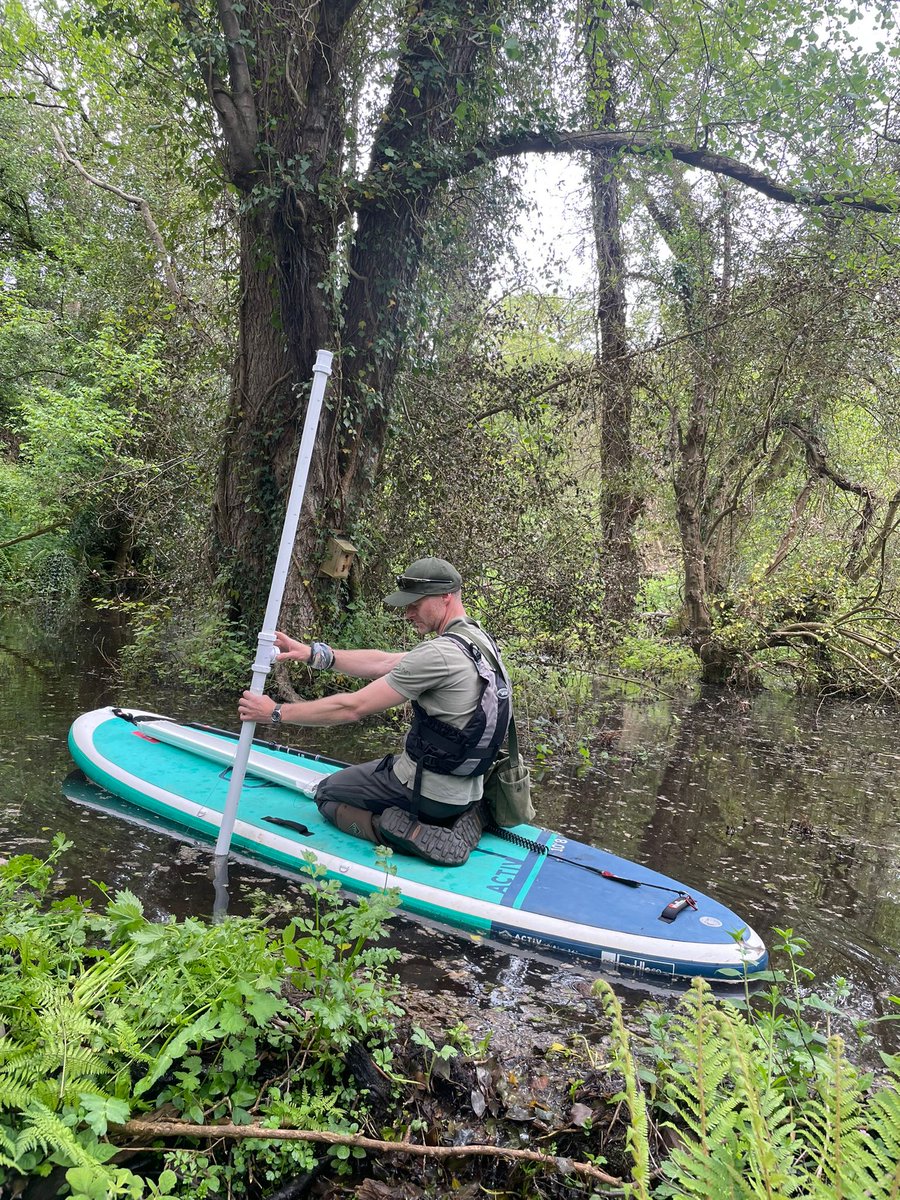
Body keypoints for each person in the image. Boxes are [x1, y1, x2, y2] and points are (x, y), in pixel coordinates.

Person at [236, 557, 512, 865]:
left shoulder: (438, 654)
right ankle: (461, 817)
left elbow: (352, 708)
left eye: (415, 604)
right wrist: (313, 654)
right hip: (466, 791)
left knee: (327, 794)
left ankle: (409, 832)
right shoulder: (477, 641)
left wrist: (275, 712)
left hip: (429, 795)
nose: (408, 613)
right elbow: (383, 662)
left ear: (444, 597)